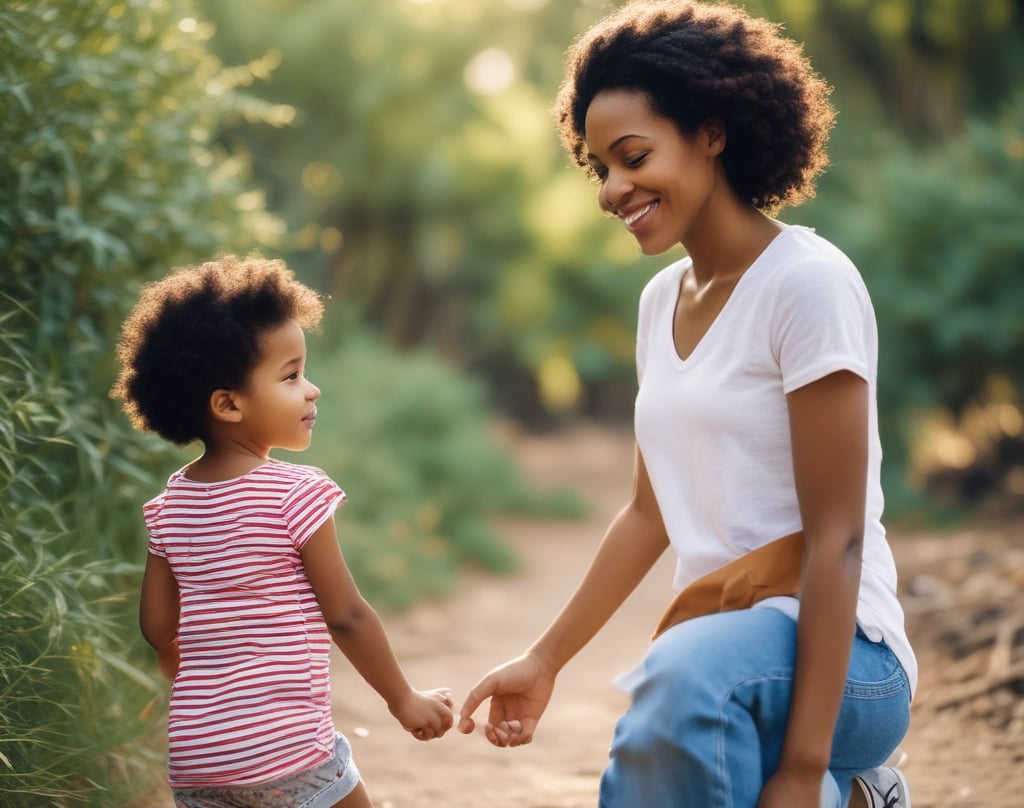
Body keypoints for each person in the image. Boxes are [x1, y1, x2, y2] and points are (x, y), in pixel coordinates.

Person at [457, 2, 917, 807]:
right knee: (681, 717)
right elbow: (647, 513)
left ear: (712, 132)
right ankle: (862, 798)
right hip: (715, 646)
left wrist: (804, 772)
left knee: (676, 694)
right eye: (599, 166)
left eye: (633, 157)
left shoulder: (806, 284)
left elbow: (838, 540)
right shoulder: (660, 301)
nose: (612, 189)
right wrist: (545, 658)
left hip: (845, 660)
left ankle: (835, 781)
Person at [111, 255, 454, 808]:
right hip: (288, 747)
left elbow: (157, 629)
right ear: (227, 403)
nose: (312, 390)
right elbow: (346, 615)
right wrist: (403, 700)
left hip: (197, 756)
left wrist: (211, 698)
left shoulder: (168, 507)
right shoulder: (296, 493)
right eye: (291, 376)